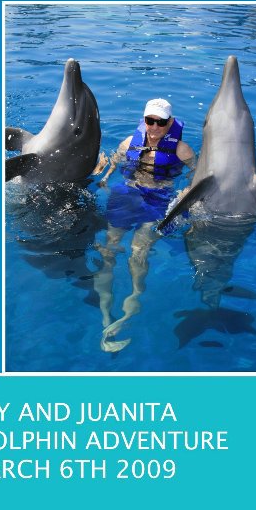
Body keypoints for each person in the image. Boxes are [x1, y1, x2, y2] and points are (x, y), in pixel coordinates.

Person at [92, 98, 195, 352]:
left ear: (170, 122)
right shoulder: (129, 141)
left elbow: (197, 173)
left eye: (161, 122)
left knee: (139, 250)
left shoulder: (182, 150)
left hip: (159, 199)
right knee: (108, 249)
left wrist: (187, 192)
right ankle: (105, 312)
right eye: (150, 121)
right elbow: (115, 162)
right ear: (144, 119)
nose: (154, 127)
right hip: (128, 194)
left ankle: (133, 300)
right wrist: (104, 176)